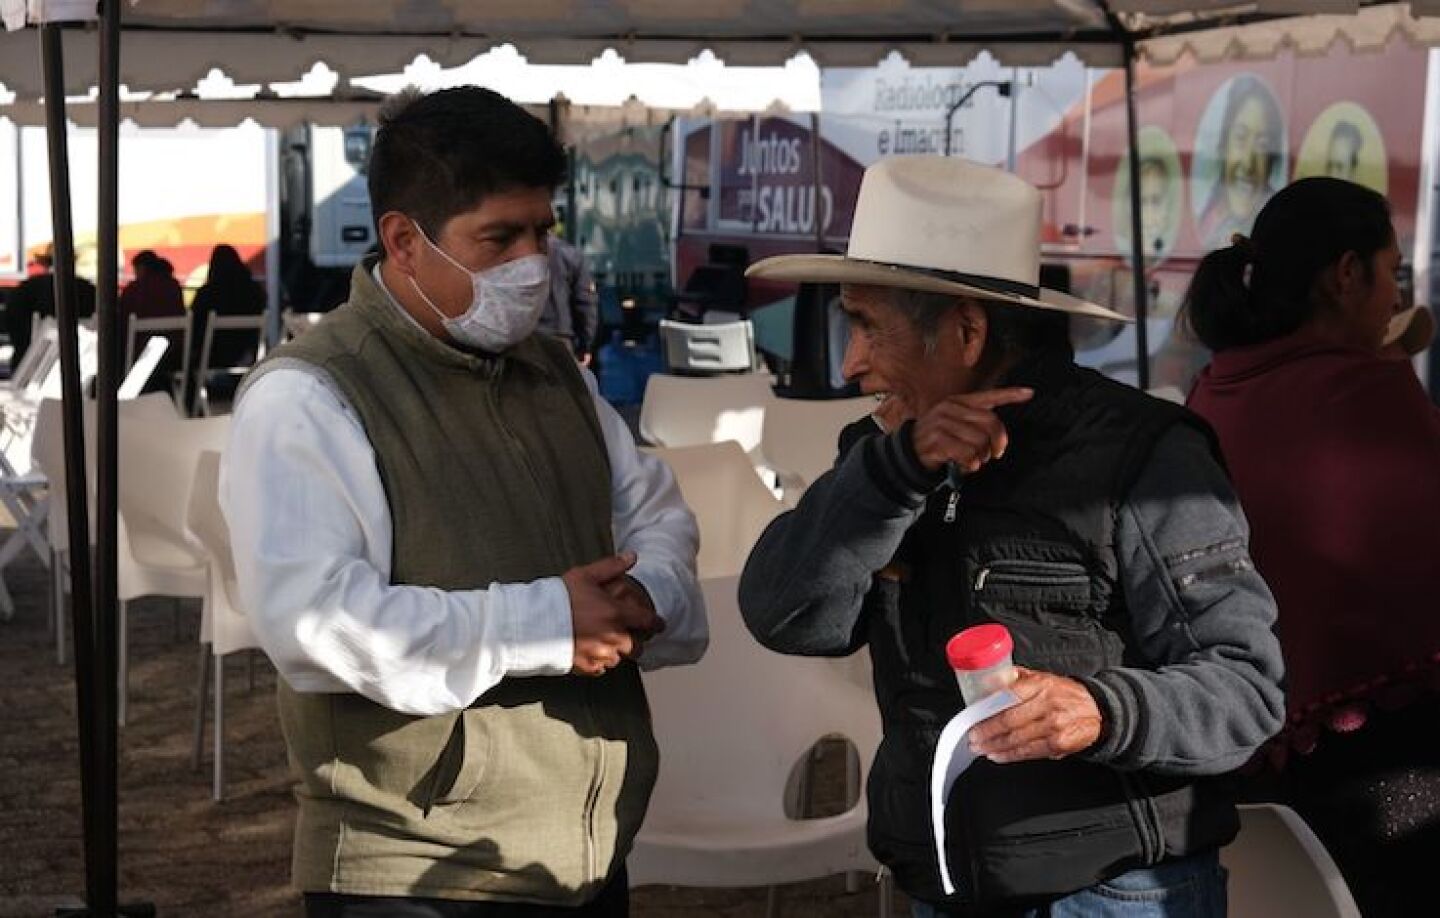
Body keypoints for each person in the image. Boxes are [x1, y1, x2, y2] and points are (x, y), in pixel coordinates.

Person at [738, 155, 1285, 917]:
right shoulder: (882, 455)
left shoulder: (1145, 456)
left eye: (865, 325)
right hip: (940, 883)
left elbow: (1247, 690)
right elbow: (785, 615)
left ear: (966, 330)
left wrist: (1100, 710)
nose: (851, 363)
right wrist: (893, 477)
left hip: (1117, 893)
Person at [221, 86, 706, 917]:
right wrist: (549, 624)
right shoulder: (310, 395)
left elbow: (656, 516)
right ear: (405, 242)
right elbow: (317, 624)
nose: (533, 262)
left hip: (584, 850)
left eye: (542, 232)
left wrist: (645, 592)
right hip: (414, 871)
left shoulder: (556, 374)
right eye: (499, 237)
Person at [1184, 177, 1440, 918]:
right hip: (1378, 771)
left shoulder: (1217, 386)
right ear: (1346, 274)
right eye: (1392, 273)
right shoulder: (1369, 394)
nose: (1396, 297)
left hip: (1247, 750)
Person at [1196, 75, 1284, 248]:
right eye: (1240, 138)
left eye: (1262, 144)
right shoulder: (1207, 222)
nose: (1248, 163)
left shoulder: (1279, 226)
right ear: (1224, 145)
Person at [187, 243, 265, 411]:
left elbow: (194, 327)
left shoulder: (207, 293)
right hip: (245, 355)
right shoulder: (255, 292)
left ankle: (192, 408)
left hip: (212, 356)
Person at [4, 244, 97, 369]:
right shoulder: (89, 290)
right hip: (78, 364)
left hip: (30, 364)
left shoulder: (27, 289)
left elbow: (11, 323)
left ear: (45, 264)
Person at [537, 233, 599, 365]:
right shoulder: (571, 255)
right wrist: (586, 345)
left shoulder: (512, 256)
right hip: (560, 339)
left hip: (523, 341)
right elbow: (586, 305)